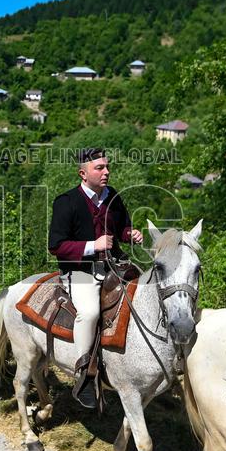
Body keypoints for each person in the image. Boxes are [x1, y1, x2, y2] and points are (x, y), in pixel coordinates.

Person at [47, 147, 143, 408]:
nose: (106, 172)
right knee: (89, 313)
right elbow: (56, 245)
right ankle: (83, 373)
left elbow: (121, 226)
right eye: (99, 168)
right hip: (78, 271)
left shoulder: (113, 196)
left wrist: (129, 233)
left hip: (114, 266)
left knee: (146, 293)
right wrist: (93, 245)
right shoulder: (65, 202)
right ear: (83, 173)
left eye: (107, 167)